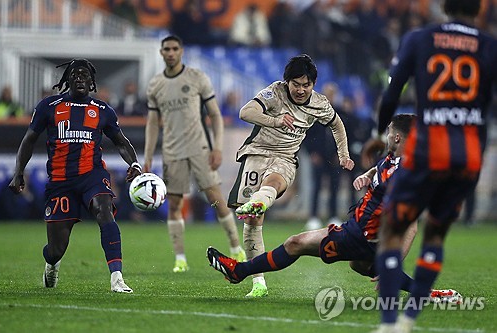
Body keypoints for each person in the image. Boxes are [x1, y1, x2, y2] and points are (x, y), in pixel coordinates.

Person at [209, 115, 458, 302]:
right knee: (359, 266)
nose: (386, 135)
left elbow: (411, 224)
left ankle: (238, 271)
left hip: (360, 237)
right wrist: (368, 175)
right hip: (360, 232)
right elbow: (382, 169)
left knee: (296, 244)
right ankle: (430, 293)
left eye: (389, 132)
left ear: (397, 137)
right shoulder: (394, 158)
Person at [366, 1, 497, 332]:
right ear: (479, 8)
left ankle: (389, 322)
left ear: (444, 6)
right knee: (436, 234)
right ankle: (410, 319)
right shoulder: (489, 46)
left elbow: (393, 92)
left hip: (428, 150)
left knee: (394, 229)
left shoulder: (419, 39)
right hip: (468, 155)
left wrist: (380, 133)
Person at [8, 59, 142, 293]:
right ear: (67, 80)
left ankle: (117, 278)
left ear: (92, 82)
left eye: (84, 75)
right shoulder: (49, 106)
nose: (79, 77)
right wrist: (18, 171)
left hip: (92, 175)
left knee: (105, 210)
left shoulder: (102, 110)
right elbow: (28, 140)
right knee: (56, 248)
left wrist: (135, 163)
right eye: (75, 74)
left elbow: (121, 142)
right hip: (60, 182)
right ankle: (51, 263)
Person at [228, 54, 355, 297]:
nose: (300, 90)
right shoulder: (274, 93)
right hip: (256, 153)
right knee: (253, 224)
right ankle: (258, 284)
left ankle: (258, 202)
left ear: (313, 85)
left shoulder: (319, 103)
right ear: (287, 82)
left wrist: (343, 154)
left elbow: (337, 124)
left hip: (286, 157)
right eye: (296, 84)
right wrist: (274, 121)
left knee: (274, 182)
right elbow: (246, 112)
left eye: (306, 85)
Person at [144, 35, 245, 273]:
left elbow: (216, 115)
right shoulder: (155, 85)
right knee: (175, 204)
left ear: (181, 51)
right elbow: (152, 123)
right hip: (172, 151)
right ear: (161, 53)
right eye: (166, 49)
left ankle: (235, 247)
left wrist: (217, 147)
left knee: (217, 199)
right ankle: (180, 258)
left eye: (174, 48)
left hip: (199, 148)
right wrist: (148, 155)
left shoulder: (197, 78)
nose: (170, 52)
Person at [303, 82, 343, 230]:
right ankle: (313, 217)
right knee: (317, 187)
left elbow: (346, 135)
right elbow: (306, 135)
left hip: (334, 157)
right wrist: (312, 153)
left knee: (334, 187)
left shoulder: (340, 113)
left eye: (332, 94)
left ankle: (334, 216)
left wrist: (341, 154)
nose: (330, 97)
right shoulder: (313, 113)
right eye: (327, 94)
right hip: (318, 157)